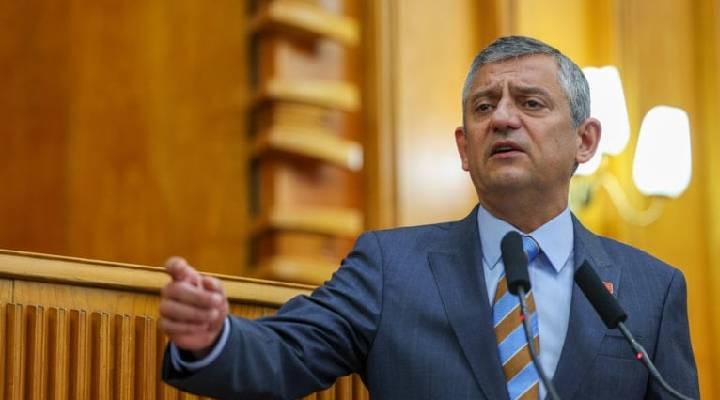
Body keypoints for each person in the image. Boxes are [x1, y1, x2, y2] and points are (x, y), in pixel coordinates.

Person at [158, 36, 699, 400]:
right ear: (464, 148)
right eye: (484, 107)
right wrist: (213, 338)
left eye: (530, 103)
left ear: (586, 141)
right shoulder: (390, 268)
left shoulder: (651, 291)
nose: (503, 118)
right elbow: (286, 352)